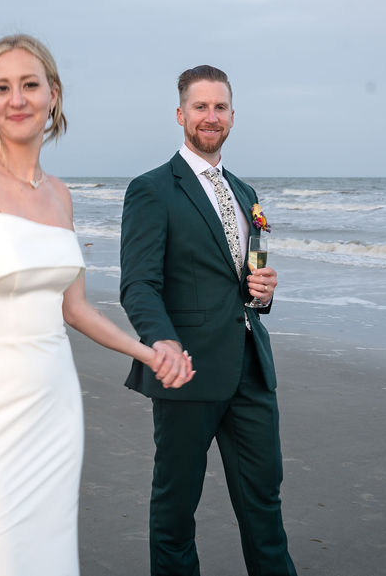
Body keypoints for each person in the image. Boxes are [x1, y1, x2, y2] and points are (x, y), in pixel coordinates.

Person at [0, 34, 193, 576]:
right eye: (1, 88)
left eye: (30, 84)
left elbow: (75, 310)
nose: (16, 99)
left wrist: (151, 354)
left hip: (54, 410)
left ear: (54, 94)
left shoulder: (60, 196)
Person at [119, 65, 298, 575]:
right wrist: (164, 345)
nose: (210, 116)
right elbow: (139, 285)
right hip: (187, 372)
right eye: (200, 107)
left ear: (233, 117)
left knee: (265, 504)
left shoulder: (244, 193)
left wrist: (260, 293)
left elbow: (241, 281)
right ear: (180, 115)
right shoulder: (153, 190)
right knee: (176, 515)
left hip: (251, 371)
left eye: (220, 107)